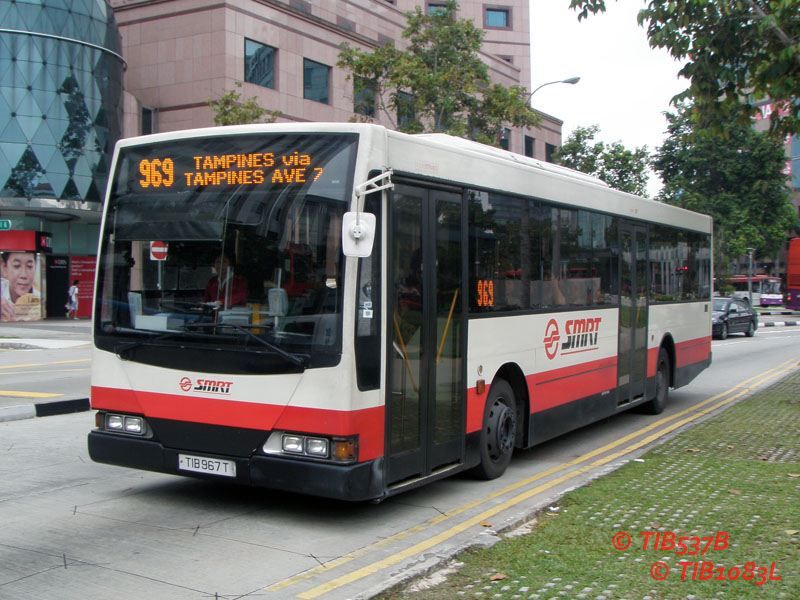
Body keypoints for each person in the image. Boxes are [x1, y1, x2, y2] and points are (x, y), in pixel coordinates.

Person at [1, 251, 41, 322]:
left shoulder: (41, 300)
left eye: (29, 266)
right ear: (4, 268)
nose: (24, 275)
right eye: (17, 266)